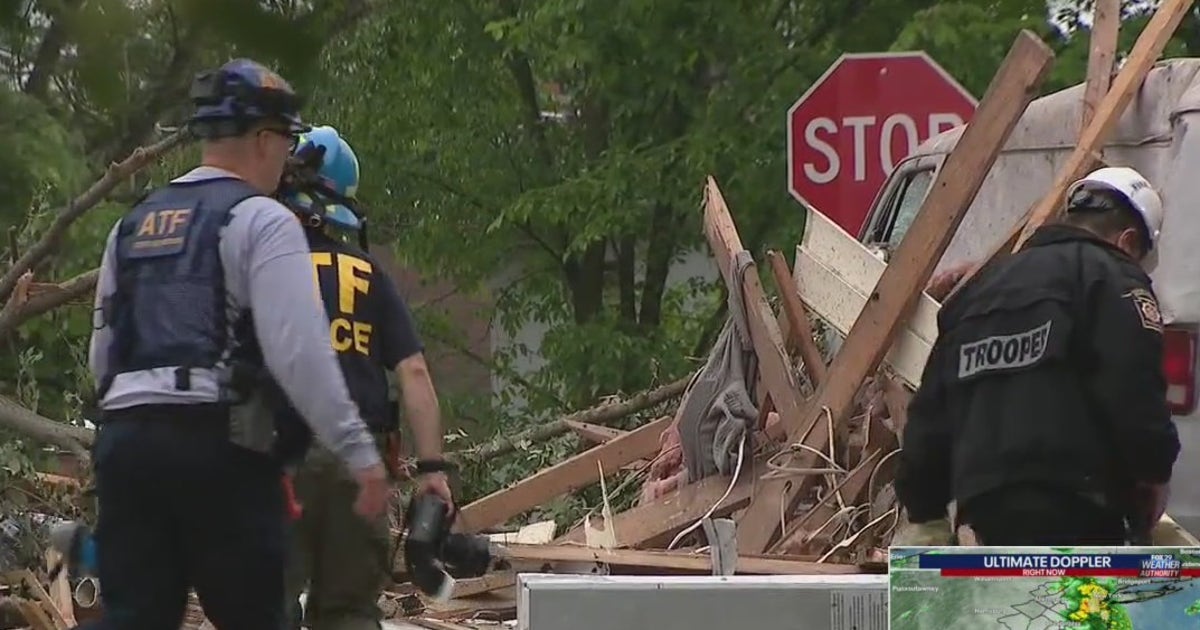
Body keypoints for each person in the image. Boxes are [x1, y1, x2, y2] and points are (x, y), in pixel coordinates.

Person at [81, 59, 389, 630]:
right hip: (217, 446)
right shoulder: (262, 220)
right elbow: (300, 354)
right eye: (286, 142)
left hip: (126, 447)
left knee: (135, 617)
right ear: (265, 139)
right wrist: (358, 452)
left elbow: (104, 354)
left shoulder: (132, 224)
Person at [893, 166, 1181, 547]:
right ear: (1128, 242)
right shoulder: (1114, 278)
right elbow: (1133, 387)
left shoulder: (980, 289)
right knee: (1082, 606)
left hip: (989, 509)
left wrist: (924, 508)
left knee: (1018, 606)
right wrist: (1153, 472)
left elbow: (932, 410)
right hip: (1081, 504)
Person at [277, 126, 452, 630]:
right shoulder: (367, 272)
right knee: (350, 613)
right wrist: (433, 470)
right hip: (361, 461)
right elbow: (415, 372)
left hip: (279, 458)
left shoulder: (262, 264)